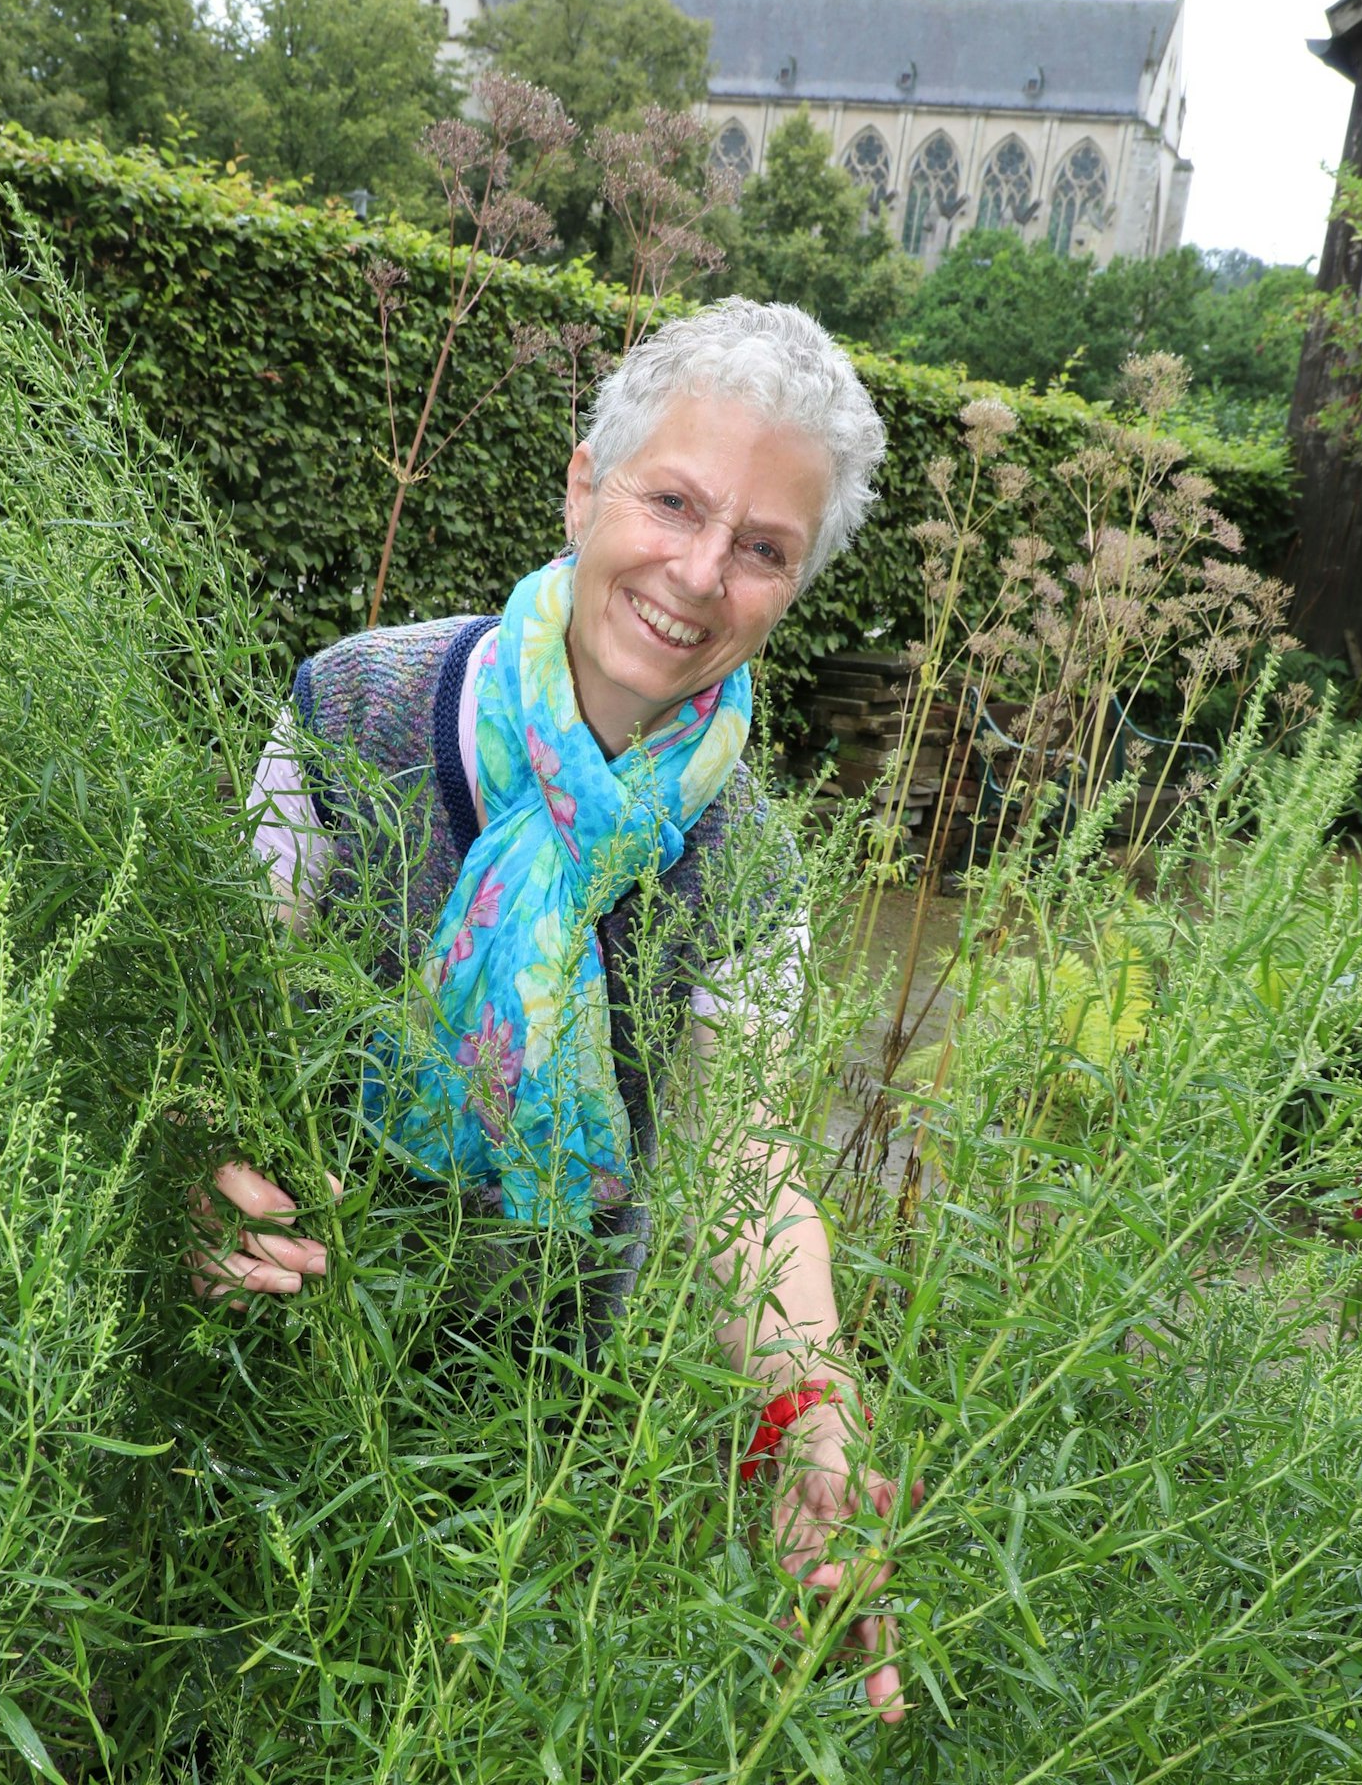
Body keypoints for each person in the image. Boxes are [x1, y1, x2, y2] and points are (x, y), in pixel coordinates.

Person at [195, 297, 919, 1720]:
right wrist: (203, 1168)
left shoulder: (750, 859)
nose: (701, 574)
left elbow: (740, 1165)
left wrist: (808, 1422)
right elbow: (219, 1020)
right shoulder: (357, 705)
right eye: (673, 502)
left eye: (764, 549)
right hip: (282, 1349)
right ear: (587, 485)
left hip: (533, 1416)